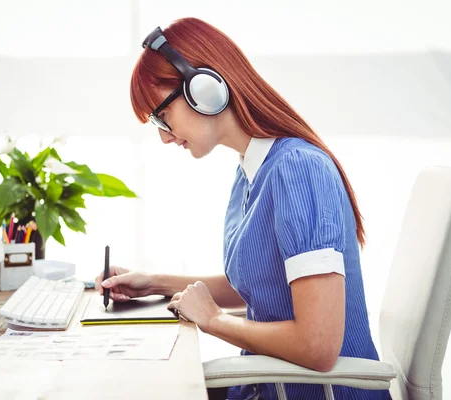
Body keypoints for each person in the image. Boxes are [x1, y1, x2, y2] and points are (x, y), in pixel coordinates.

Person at [95, 17, 390, 400]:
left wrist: (214, 321)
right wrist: (153, 283)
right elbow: (257, 288)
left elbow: (318, 345)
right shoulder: (252, 170)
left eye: (162, 116)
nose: (163, 137)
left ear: (205, 87)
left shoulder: (298, 169)